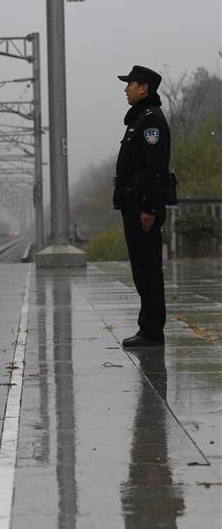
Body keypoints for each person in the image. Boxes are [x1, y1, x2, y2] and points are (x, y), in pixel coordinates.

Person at [113, 65, 171, 347]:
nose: (126, 88)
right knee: (142, 268)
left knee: (148, 268)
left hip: (142, 208)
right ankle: (148, 326)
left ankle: (151, 330)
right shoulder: (140, 119)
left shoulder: (150, 122)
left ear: (144, 87)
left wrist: (149, 207)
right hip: (134, 205)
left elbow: (154, 169)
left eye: (130, 84)